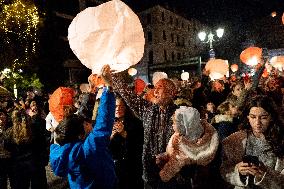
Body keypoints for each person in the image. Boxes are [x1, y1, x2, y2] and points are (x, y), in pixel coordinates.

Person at [49, 65, 117, 189]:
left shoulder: (66, 149)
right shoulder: (86, 152)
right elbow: (104, 123)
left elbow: (80, 116)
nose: (90, 123)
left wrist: (92, 90)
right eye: (86, 125)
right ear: (80, 135)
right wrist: (109, 88)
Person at [112, 73, 183, 189]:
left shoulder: (181, 114)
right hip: (150, 173)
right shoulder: (148, 110)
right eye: (155, 88)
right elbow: (129, 95)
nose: (155, 91)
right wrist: (114, 75)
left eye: (160, 88)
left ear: (172, 93)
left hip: (172, 174)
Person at [221, 95, 284, 188]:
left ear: (271, 117)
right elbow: (225, 170)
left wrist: (264, 176)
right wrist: (238, 171)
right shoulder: (236, 140)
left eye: (263, 117)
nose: (257, 122)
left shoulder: (281, 140)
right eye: (253, 117)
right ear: (248, 117)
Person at [157, 106, 219, 187]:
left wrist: (163, 175)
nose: (172, 125)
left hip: (182, 179)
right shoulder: (198, 133)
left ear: (185, 125)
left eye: (174, 123)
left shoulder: (184, 147)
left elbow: (174, 164)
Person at [4, 109, 48, 189]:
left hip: (18, 166)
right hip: (35, 163)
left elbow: (7, 149)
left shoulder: (9, 132)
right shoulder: (35, 128)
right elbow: (43, 145)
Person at [109, 96, 144, 189]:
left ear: (126, 107)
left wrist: (124, 133)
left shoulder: (136, 122)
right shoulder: (109, 122)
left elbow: (139, 144)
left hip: (131, 166)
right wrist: (111, 137)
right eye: (116, 106)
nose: (118, 109)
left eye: (121, 106)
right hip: (114, 166)